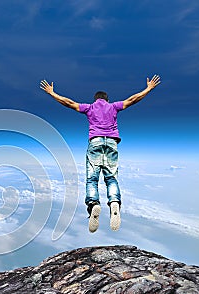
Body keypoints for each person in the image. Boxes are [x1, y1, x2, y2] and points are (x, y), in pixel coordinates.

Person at [40, 75, 161, 232]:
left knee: (92, 179)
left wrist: (52, 93)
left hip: (95, 142)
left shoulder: (89, 108)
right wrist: (148, 88)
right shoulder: (113, 107)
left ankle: (93, 205)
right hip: (112, 143)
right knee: (111, 178)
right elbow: (132, 100)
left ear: (95, 99)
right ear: (107, 100)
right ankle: (115, 203)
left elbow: (69, 103)